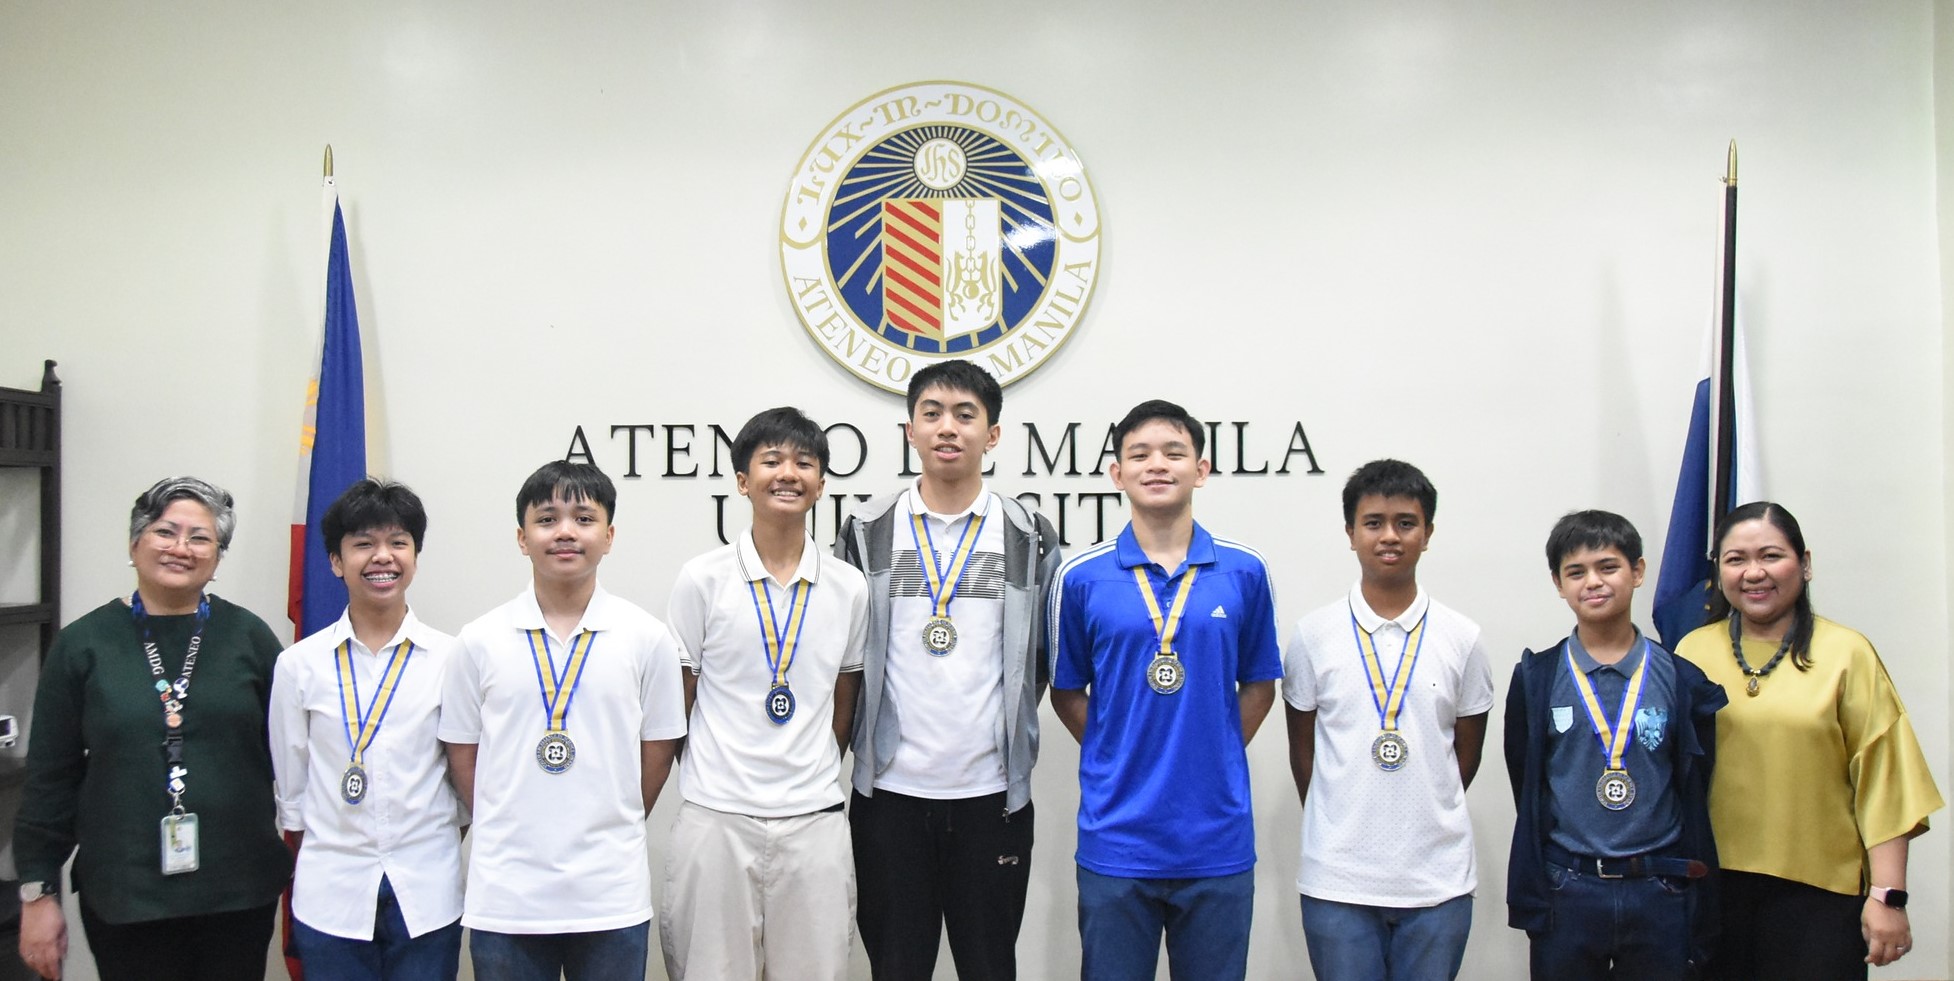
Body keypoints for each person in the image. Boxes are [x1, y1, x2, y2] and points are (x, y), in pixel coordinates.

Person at [834, 359, 1060, 980]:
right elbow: (845, 656)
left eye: (966, 414)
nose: (947, 427)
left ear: (993, 434)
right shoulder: (866, 530)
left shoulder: (1030, 535)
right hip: (889, 796)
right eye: (931, 413)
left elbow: (1039, 657)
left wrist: (1006, 727)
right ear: (910, 429)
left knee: (990, 967)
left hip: (992, 798)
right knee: (897, 968)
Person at [14, 477, 290, 981]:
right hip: (126, 894)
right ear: (134, 542)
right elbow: (49, 779)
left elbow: (293, 761)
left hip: (236, 892)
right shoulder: (83, 645)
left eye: (200, 537)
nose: (181, 548)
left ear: (218, 555)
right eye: (167, 532)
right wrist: (38, 893)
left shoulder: (250, 638)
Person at [1050, 399, 1281, 981]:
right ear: (1116, 473)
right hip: (1118, 838)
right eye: (1140, 454)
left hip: (1215, 837)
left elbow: (1259, 684)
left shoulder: (1244, 570)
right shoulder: (1081, 577)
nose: (1158, 465)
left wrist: (1216, 746)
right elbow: (1066, 690)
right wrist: (1114, 748)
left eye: (1174, 453)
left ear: (1201, 470)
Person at [438, 461, 687, 981]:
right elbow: (463, 752)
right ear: (522, 538)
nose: (566, 532)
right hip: (507, 892)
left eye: (584, 518)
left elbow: (659, 747)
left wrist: (611, 816)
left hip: (610, 890)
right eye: (547, 519)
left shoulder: (646, 637)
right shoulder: (478, 640)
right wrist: (504, 821)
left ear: (609, 536)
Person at [1675, 502, 1943, 979]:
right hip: (1710, 891)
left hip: (1819, 900)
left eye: (1771, 556)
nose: (1753, 572)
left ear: (1805, 563)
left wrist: (1889, 896)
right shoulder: (1692, 651)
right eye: (1735, 559)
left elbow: (1885, 780)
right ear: (1718, 571)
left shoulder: (1847, 653)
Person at [658, 408, 869, 980]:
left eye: (804, 462)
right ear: (742, 480)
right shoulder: (702, 578)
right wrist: (718, 777)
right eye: (771, 460)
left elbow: (843, 698)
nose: (788, 473)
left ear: (822, 484)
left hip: (814, 821)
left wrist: (807, 769)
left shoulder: (849, 586)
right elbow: (681, 696)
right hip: (717, 818)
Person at [1281, 459, 1493, 981]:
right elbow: (1303, 753)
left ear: (1428, 534)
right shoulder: (1313, 636)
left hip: (1437, 880)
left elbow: (1466, 756)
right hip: (1339, 879)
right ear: (1350, 533)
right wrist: (1344, 813)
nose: (1389, 536)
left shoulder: (1462, 638)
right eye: (1373, 523)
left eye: (1406, 522)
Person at [1504, 510, 1725, 980]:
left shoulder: (1681, 678)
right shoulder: (1536, 679)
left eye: (1608, 567)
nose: (1593, 582)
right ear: (1558, 584)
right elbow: (1526, 776)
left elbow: (1694, 780)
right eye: (1576, 572)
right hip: (1568, 887)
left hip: (1659, 889)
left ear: (1638, 572)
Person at [269, 479, 463, 980]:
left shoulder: (453, 660)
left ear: (416, 556)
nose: (383, 557)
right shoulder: (299, 666)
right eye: (363, 544)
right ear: (336, 561)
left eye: (398, 542)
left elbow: (465, 785)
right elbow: (293, 791)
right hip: (331, 890)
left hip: (427, 890)